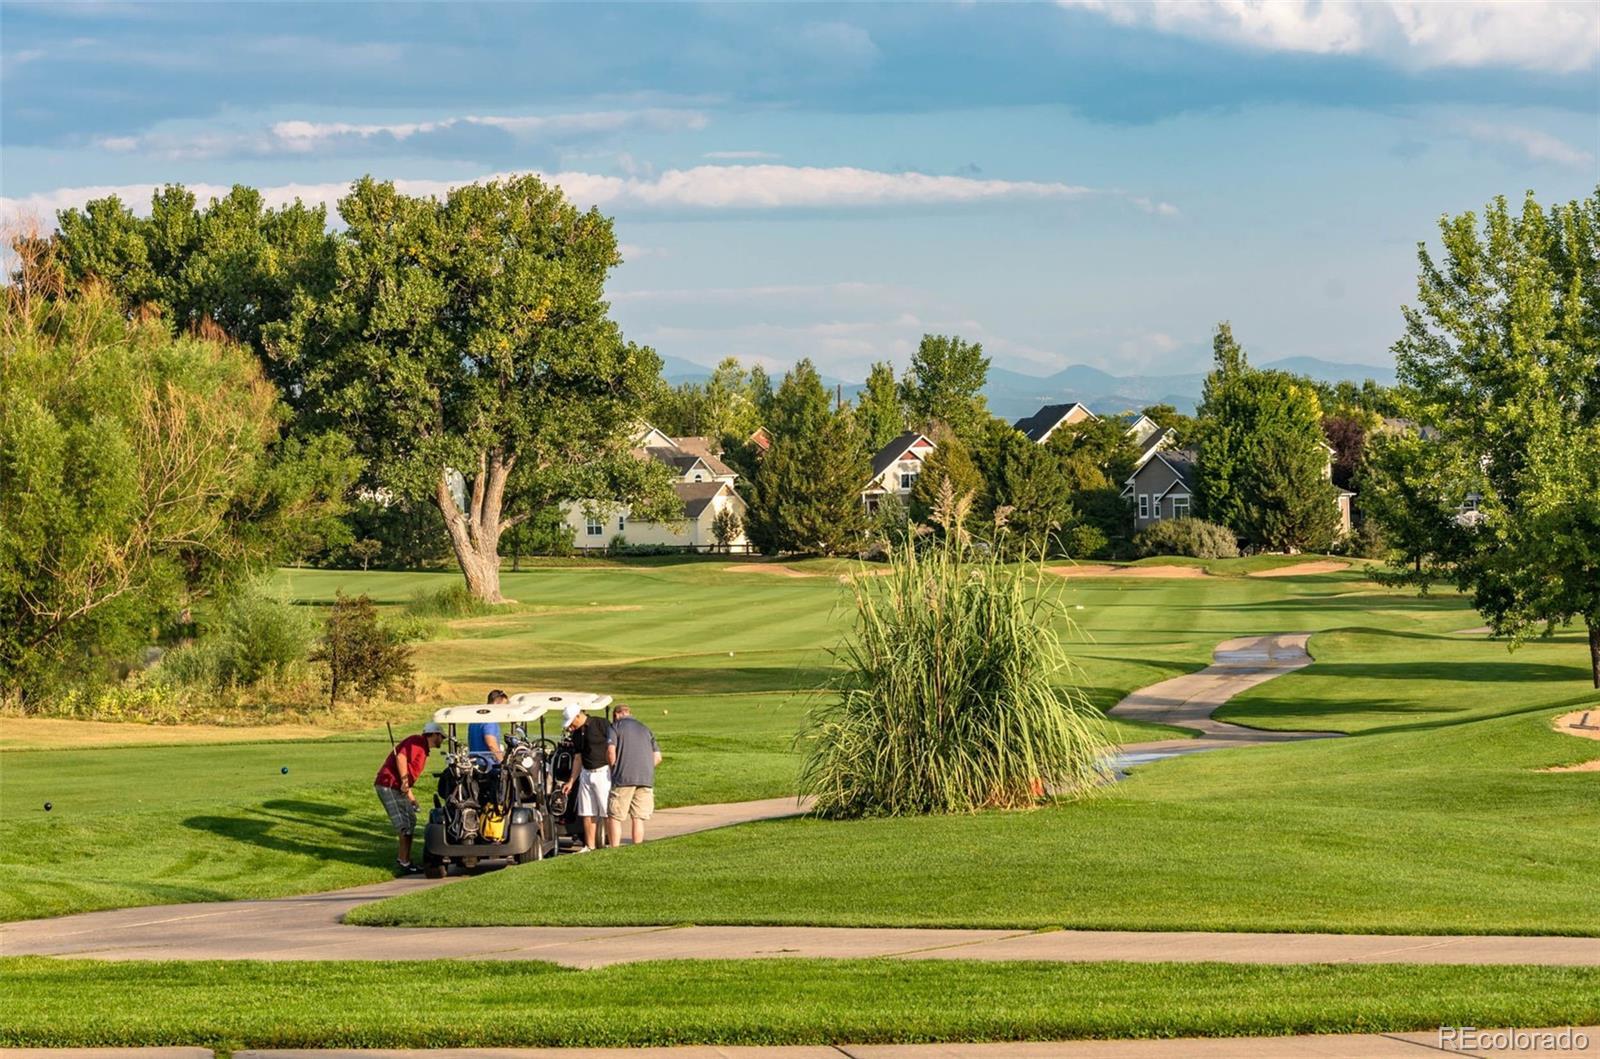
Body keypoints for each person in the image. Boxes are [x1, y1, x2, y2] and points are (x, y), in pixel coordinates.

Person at [375, 721, 444, 875]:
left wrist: (411, 798)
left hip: (395, 786)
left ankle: (405, 860)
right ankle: (403, 861)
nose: (442, 740)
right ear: (434, 734)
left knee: (410, 820)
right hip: (388, 784)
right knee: (405, 824)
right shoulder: (417, 742)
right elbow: (400, 757)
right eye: (441, 736)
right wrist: (405, 782)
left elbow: (407, 775)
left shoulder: (423, 749)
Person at [606, 704, 662, 847]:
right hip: (645, 778)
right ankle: (637, 847)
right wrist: (645, 767)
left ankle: (615, 848)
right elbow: (657, 757)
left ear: (617, 715)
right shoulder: (645, 729)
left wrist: (614, 768)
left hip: (623, 777)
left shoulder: (615, 727)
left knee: (615, 816)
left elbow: (611, 752)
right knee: (638, 817)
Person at [560, 702, 612, 852]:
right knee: (587, 812)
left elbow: (613, 745)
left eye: (572, 722)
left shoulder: (600, 724)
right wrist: (571, 781)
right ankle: (589, 846)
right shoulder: (576, 733)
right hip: (586, 773)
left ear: (578, 715)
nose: (571, 726)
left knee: (606, 811)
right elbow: (578, 758)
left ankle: (611, 843)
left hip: (603, 772)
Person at [468, 689, 507, 765]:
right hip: (488, 765)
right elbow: (491, 743)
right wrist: (502, 761)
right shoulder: (490, 720)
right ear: (497, 703)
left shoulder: (474, 719)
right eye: (504, 706)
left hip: (475, 764)